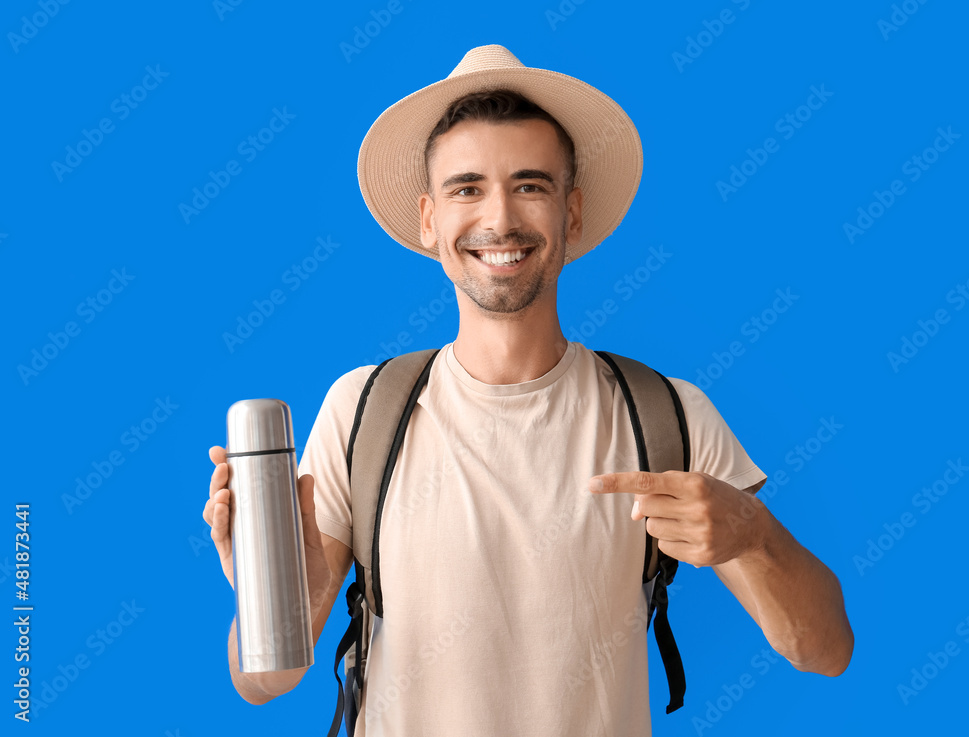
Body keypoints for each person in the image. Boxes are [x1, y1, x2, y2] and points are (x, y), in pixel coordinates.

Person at [203, 44, 853, 736]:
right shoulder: (362, 413)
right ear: (429, 219)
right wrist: (271, 597)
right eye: (466, 188)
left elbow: (825, 650)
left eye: (530, 186)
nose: (500, 219)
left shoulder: (667, 416)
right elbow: (263, 681)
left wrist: (754, 535)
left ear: (572, 213)